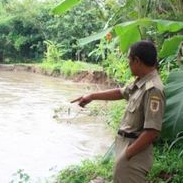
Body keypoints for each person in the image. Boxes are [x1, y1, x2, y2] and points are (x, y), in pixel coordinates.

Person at [71, 40, 165, 183]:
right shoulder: (141, 82)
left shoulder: (153, 90)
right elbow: (121, 93)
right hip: (127, 148)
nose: (128, 63)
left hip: (134, 153)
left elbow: (152, 132)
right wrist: (92, 96)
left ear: (137, 61)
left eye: (129, 59)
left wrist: (127, 154)